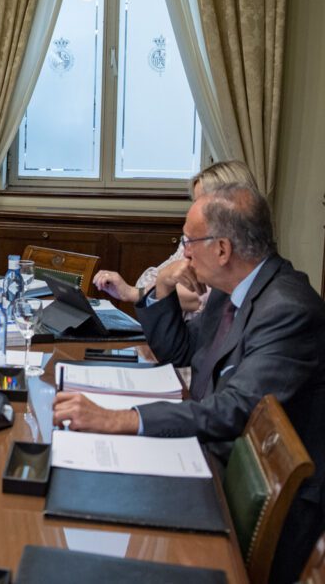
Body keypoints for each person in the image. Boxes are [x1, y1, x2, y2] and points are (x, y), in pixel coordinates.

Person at [54, 183, 325, 584]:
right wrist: (161, 287)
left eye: (188, 241)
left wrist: (120, 420)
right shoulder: (229, 288)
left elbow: (234, 409)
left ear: (222, 249)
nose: (184, 252)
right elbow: (181, 353)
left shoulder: (288, 309)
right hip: (214, 459)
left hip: (270, 504)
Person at [93, 160, 258, 318]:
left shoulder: (242, 250)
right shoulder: (192, 238)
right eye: (194, 203)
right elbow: (150, 279)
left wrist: (138, 292)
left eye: (202, 204)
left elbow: (200, 297)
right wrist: (163, 282)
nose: (194, 211)